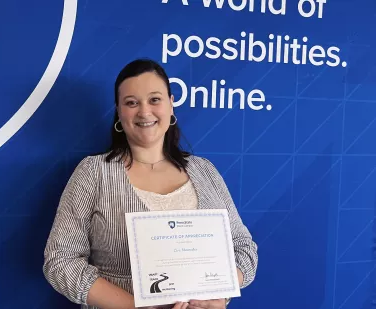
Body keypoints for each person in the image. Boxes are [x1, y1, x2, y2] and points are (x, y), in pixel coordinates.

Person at [43, 59, 258, 309]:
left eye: (154, 99)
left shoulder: (204, 171)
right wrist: (134, 305)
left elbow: (244, 250)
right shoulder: (94, 173)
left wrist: (219, 296)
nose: (144, 112)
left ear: (171, 104)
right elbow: (61, 261)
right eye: (132, 102)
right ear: (119, 112)